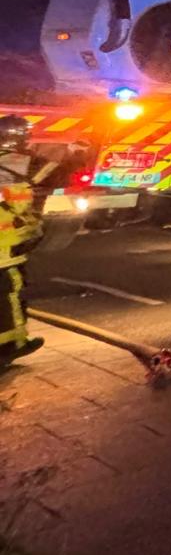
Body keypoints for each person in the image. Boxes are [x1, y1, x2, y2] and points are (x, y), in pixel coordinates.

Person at [1, 114, 44, 366]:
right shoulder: (21, 163)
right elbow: (57, 174)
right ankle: (13, 346)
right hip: (6, 249)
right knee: (10, 295)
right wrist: (79, 155)